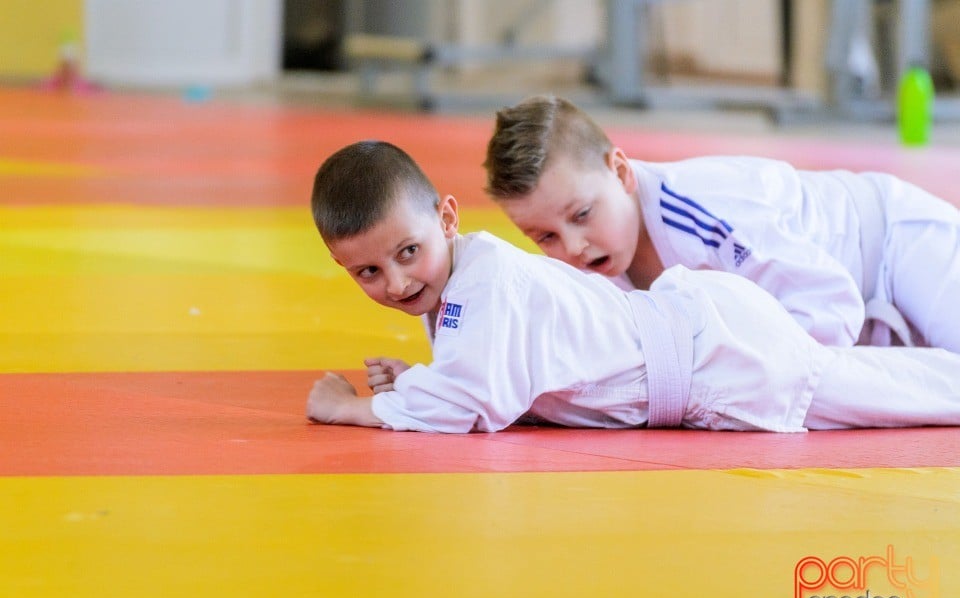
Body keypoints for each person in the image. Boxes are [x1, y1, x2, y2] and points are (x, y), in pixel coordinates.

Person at [305, 140, 960, 434]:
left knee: (882, 391)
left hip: (723, 360)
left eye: (407, 253)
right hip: (707, 339)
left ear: (447, 219)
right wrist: (419, 378)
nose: (395, 282)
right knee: (877, 383)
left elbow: (464, 403)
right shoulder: (473, 280)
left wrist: (351, 409)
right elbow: (484, 378)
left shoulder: (487, 282)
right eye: (368, 272)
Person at [483, 95, 960, 353]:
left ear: (621, 171)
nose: (573, 248)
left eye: (582, 215)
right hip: (863, 312)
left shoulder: (703, 207)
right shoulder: (603, 260)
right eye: (544, 236)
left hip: (900, 242)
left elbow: (828, 303)